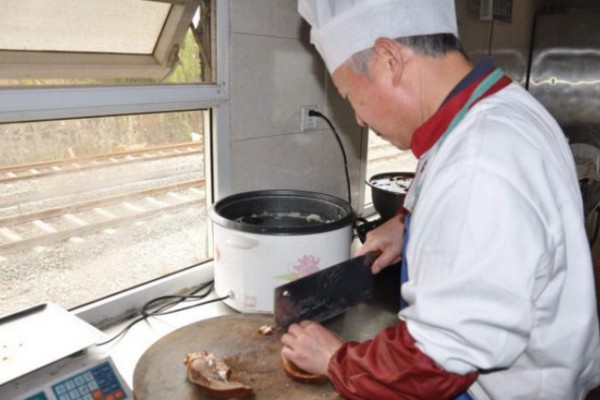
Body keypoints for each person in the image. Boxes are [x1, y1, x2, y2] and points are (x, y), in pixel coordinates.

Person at [280, 0, 600, 399]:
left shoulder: (480, 160)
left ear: (389, 59)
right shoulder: (493, 108)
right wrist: (404, 227)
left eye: (348, 95)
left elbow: (436, 364)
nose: (359, 118)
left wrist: (334, 358)